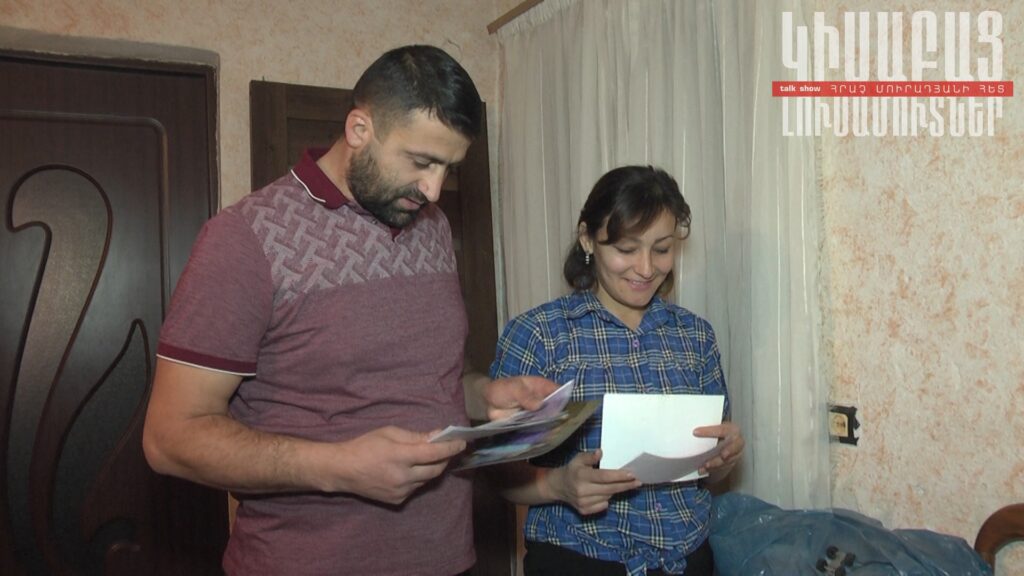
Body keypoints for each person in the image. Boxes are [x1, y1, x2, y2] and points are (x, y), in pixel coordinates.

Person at [142, 45, 556, 576]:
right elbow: (170, 438)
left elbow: (434, 378)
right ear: (360, 129)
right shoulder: (244, 239)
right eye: (421, 162)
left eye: (447, 168)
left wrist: (485, 394)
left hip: (447, 558)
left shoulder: (430, 226)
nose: (433, 190)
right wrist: (338, 467)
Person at [489, 166, 745, 576]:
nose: (645, 268)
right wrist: (560, 486)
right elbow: (499, 473)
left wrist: (725, 457)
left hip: (688, 559)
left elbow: (709, 474)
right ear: (588, 238)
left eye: (661, 249)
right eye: (626, 248)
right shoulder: (540, 334)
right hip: (580, 561)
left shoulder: (696, 335)